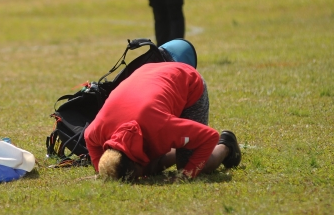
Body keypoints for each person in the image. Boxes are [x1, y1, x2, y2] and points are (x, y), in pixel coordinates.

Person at [84, 59, 241, 181]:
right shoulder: (99, 131)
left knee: (186, 162)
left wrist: (186, 176)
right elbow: (88, 136)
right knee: (155, 160)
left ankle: (227, 146)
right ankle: (181, 146)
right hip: (149, 73)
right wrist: (100, 170)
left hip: (187, 81)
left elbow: (209, 136)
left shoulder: (159, 127)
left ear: (137, 164)